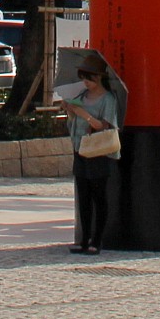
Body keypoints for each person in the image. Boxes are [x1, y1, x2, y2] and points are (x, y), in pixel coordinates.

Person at [58, 51, 122, 254]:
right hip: (80, 149)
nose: (85, 82)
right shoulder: (81, 96)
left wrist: (84, 115)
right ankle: (84, 239)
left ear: (99, 77)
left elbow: (106, 125)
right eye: (83, 77)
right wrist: (70, 109)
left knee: (98, 196)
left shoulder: (108, 99)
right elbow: (74, 121)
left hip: (98, 152)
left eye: (89, 78)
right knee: (83, 196)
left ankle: (97, 240)